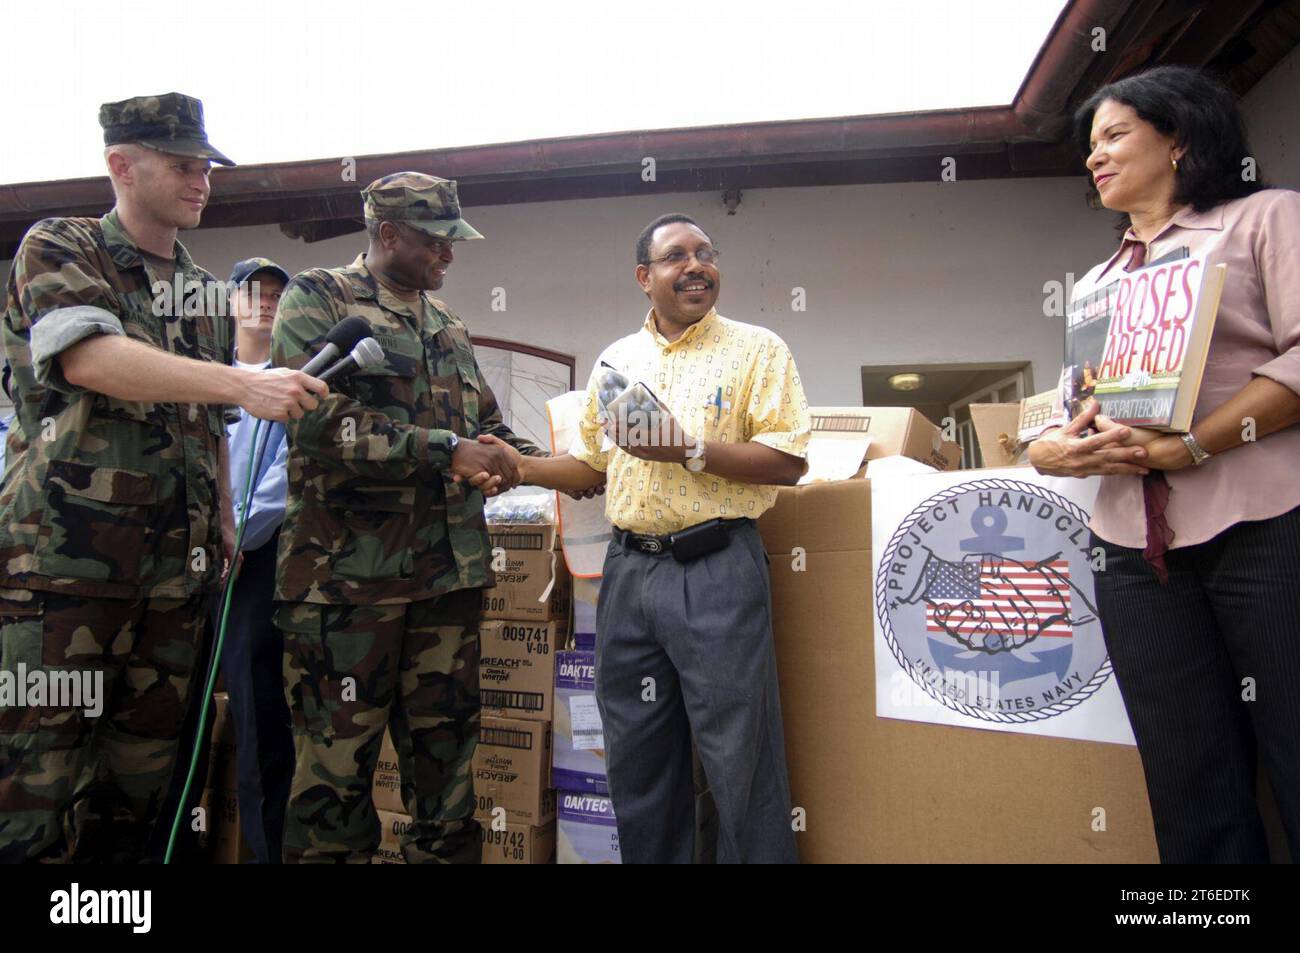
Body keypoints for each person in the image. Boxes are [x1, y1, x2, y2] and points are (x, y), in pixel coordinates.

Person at [0, 93, 326, 863]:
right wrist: (244, 384)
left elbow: (205, 425)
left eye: (206, 167)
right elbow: (90, 359)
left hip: (174, 586)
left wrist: (219, 519)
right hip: (63, 574)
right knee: (32, 790)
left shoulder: (206, 296)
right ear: (122, 165)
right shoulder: (61, 247)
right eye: (182, 165)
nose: (201, 181)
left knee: (140, 795)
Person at [1029, 65, 1300, 863]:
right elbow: (1071, 403)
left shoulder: (1265, 220)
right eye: (1089, 145)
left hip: (1265, 527)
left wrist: (1193, 444)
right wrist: (1050, 449)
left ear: (1178, 136)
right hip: (1133, 554)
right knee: (1186, 776)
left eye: (1112, 135)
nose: (1093, 157)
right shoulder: (1101, 282)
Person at [490, 213, 811, 863]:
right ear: (645, 277)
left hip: (716, 567)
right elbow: (591, 468)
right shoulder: (617, 360)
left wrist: (686, 449)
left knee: (737, 758)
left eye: (706, 253)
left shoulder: (757, 349)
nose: (696, 265)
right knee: (639, 756)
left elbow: (786, 460)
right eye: (675, 256)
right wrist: (515, 465)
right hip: (631, 575)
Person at [271, 171, 545, 864]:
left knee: (449, 782)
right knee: (335, 782)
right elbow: (314, 422)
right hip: (346, 593)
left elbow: (487, 427)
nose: (449, 256)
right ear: (387, 233)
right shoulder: (320, 298)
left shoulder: (445, 324)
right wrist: (445, 451)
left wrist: (558, 466)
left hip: (445, 587)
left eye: (454, 242)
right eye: (436, 241)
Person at [218, 257, 296, 863]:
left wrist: (236, 538)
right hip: (186, 564)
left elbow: (283, 481)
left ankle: (265, 851)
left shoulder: (299, 383)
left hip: (254, 565)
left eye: (276, 294)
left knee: (258, 714)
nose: (265, 303)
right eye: (254, 292)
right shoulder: (202, 377)